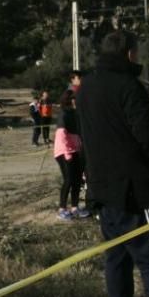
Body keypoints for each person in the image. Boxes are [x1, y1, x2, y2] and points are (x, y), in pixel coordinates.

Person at [76, 30, 149, 297]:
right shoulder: (129, 86)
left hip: (103, 190)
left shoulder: (86, 87)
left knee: (116, 261)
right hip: (138, 190)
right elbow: (148, 137)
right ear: (129, 54)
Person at [53, 89, 89, 220]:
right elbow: (61, 135)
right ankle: (62, 209)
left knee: (77, 180)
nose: (77, 101)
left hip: (75, 151)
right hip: (63, 152)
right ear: (69, 100)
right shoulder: (64, 114)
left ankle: (75, 207)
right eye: (75, 98)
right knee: (68, 179)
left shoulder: (76, 114)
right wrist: (68, 153)